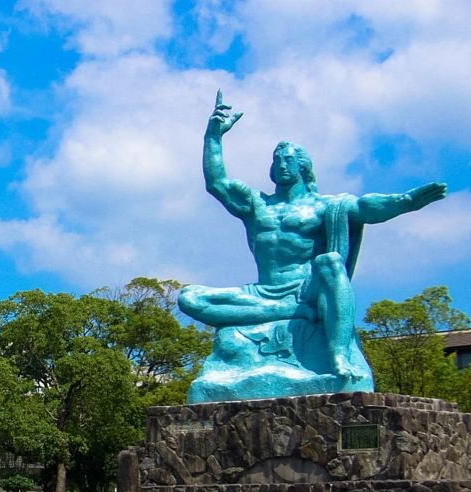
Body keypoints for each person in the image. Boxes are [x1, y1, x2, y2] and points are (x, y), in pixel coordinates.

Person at [179, 90, 448, 386]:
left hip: (307, 289)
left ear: (303, 166)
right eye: (277, 160)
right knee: (189, 297)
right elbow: (217, 184)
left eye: (289, 160)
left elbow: (366, 207)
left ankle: (338, 354)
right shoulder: (257, 205)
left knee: (331, 263)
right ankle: (287, 312)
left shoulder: (326, 206)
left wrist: (406, 201)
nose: (282, 165)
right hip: (262, 292)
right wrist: (213, 137)